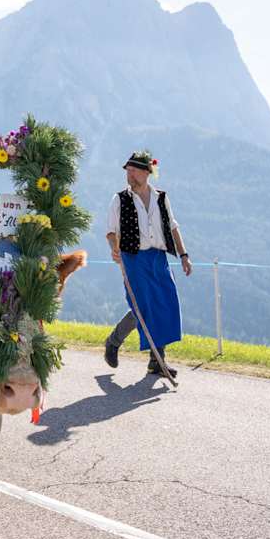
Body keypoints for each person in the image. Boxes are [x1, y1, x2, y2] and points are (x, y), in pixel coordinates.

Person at [103, 151, 192, 377]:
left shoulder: (161, 198)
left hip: (158, 257)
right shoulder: (119, 199)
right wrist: (115, 248)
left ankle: (155, 361)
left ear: (146, 172)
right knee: (143, 306)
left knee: (166, 303)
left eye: (133, 170)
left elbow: (173, 227)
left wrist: (183, 255)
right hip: (133, 258)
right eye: (128, 171)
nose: (129, 175)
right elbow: (111, 231)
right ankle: (116, 343)